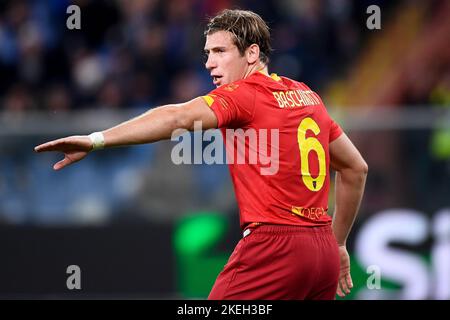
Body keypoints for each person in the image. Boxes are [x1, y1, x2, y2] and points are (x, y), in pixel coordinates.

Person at [35, 9, 368, 300]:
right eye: (208, 52)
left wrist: (96, 140)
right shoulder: (306, 95)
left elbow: (177, 117)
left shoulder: (244, 95)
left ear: (252, 54)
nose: (209, 62)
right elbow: (355, 168)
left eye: (220, 51)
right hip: (321, 252)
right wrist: (337, 245)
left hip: (273, 247)